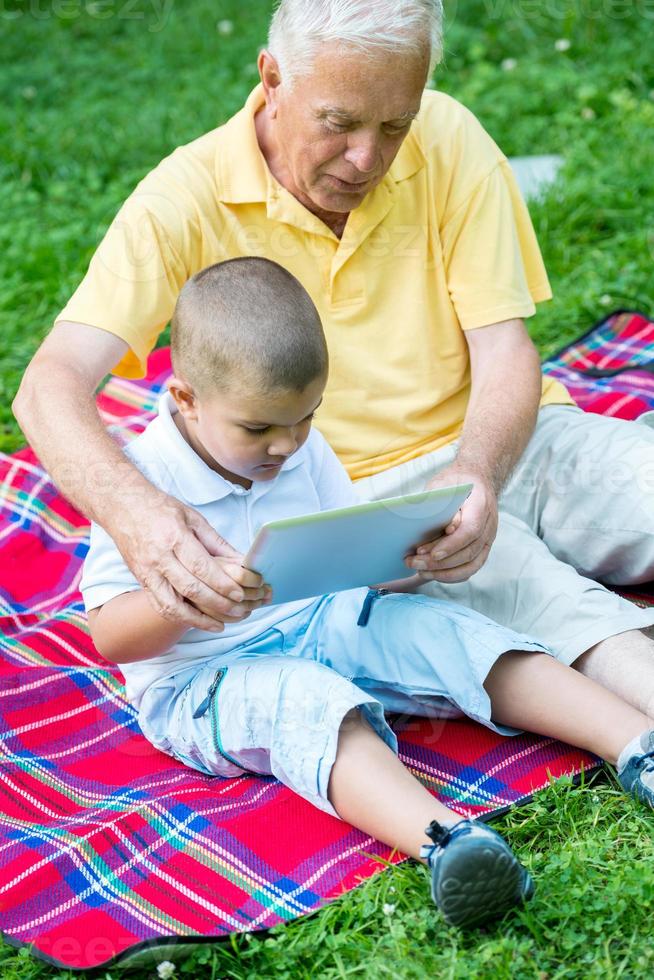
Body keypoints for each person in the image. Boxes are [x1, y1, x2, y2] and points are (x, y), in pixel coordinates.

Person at [13, 0, 654, 711]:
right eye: (339, 123)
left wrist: (479, 469)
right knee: (570, 614)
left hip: (515, 440)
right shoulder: (182, 199)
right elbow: (48, 386)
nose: (366, 159)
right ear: (273, 78)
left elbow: (504, 347)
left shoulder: (450, 135)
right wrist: (140, 517)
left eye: (394, 126)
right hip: (375, 511)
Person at [81, 257, 654, 930]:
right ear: (185, 399)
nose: (286, 444)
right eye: (259, 430)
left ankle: (636, 743)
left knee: (445, 630)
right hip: (205, 674)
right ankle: (450, 842)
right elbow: (109, 636)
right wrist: (182, 600)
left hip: (322, 616)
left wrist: (405, 555)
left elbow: (350, 560)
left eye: (304, 419)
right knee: (312, 703)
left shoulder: (299, 445)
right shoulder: (138, 485)